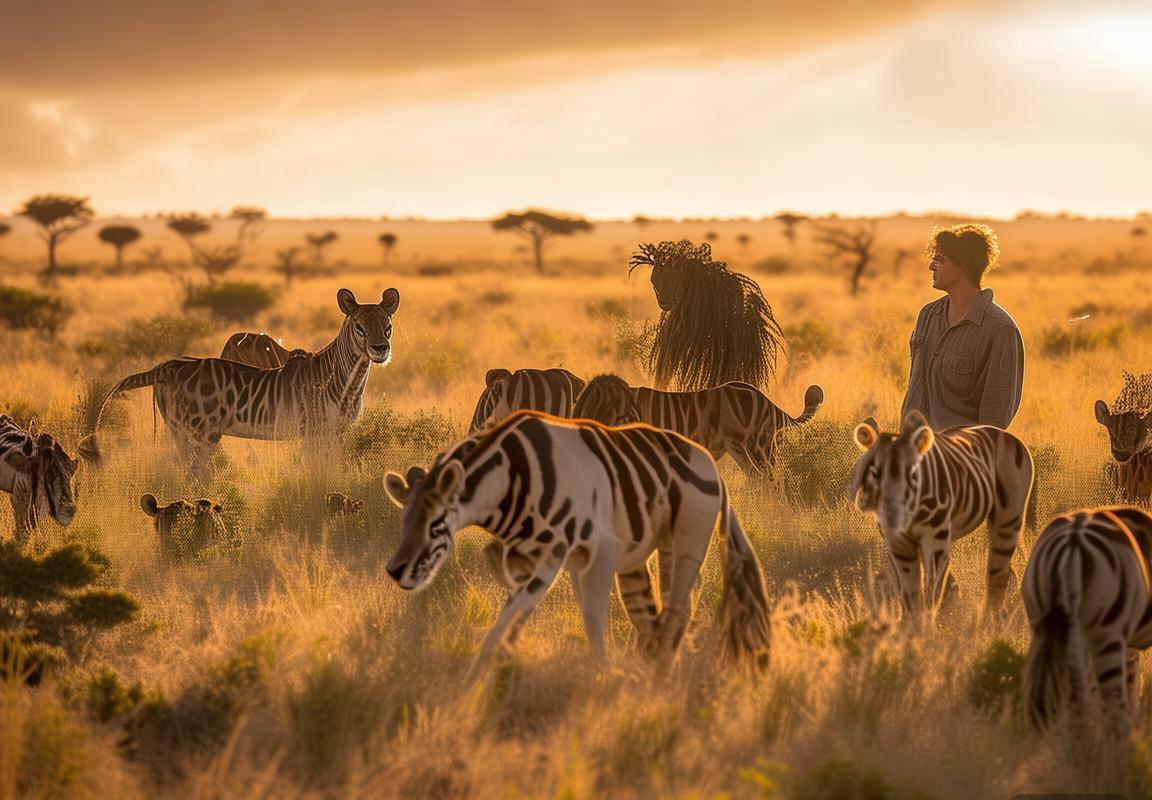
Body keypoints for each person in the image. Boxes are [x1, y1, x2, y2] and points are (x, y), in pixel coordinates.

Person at [901, 224, 1023, 430]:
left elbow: (995, 419)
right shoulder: (927, 315)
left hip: (961, 458)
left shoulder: (1001, 330)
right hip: (914, 452)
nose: (931, 266)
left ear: (964, 267)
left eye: (940, 260)